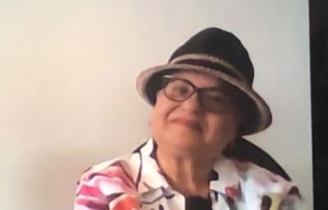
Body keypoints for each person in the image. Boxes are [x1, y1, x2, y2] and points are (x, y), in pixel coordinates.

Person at [74, 27, 302, 210]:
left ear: (234, 127)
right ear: (156, 108)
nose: (192, 106)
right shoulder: (105, 185)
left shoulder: (275, 196)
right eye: (180, 90)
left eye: (215, 99)